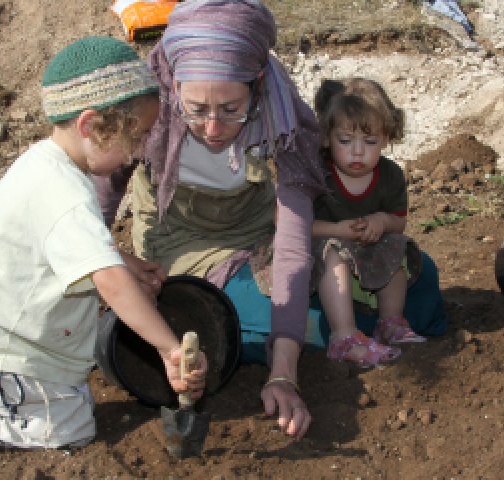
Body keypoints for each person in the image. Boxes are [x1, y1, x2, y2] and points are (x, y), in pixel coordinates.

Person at [94, 0, 446, 441]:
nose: (213, 126)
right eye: (197, 109)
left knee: (421, 283)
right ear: (175, 85)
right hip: (184, 246)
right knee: (293, 320)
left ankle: (347, 331)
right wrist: (110, 264)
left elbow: (295, 246)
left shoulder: (282, 116)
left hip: (261, 235)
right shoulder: (146, 111)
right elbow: (97, 212)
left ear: (257, 85)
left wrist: (283, 375)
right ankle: (341, 332)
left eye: (231, 109)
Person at [0, 36, 207, 464]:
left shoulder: (46, 164)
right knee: (69, 429)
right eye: (138, 136)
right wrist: (169, 349)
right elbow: (110, 284)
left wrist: (123, 260)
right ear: (91, 126)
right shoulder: (66, 193)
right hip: (9, 353)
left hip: (19, 344)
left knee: (71, 402)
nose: (142, 149)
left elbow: (55, 242)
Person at [311, 77, 427, 369]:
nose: (358, 152)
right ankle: (343, 336)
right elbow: (294, 224)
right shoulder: (317, 173)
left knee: (397, 246)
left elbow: (398, 223)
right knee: (333, 250)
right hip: (320, 249)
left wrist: (381, 221)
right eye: (345, 141)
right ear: (326, 137)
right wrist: (337, 230)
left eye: (370, 141)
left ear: (387, 138)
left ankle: (390, 323)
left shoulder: (390, 176)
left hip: (365, 248)